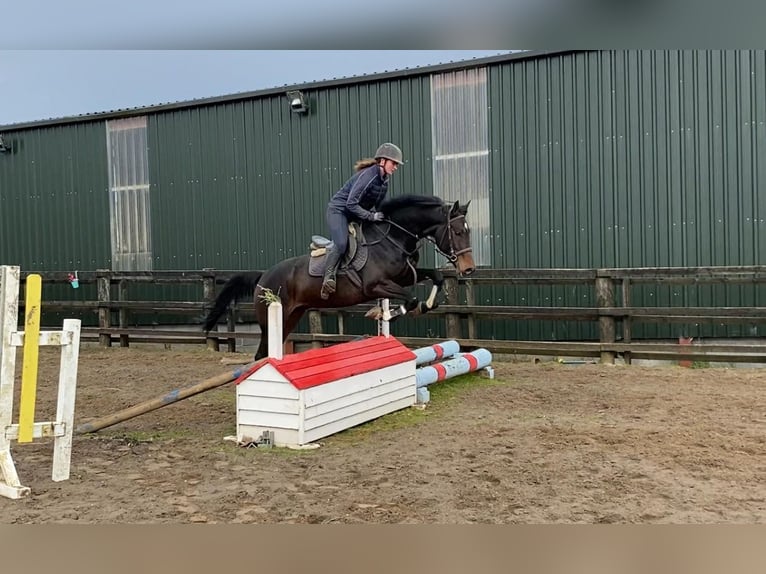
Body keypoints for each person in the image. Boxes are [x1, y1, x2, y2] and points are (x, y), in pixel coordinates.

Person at [320, 142, 404, 299]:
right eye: (394, 163)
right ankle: (328, 278)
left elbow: (379, 206)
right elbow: (350, 203)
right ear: (383, 161)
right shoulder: (368, 176)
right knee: (341, 243)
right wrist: (371, 216)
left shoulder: (384, 180)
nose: (396, 167)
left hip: (356, 214)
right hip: (339, 211)